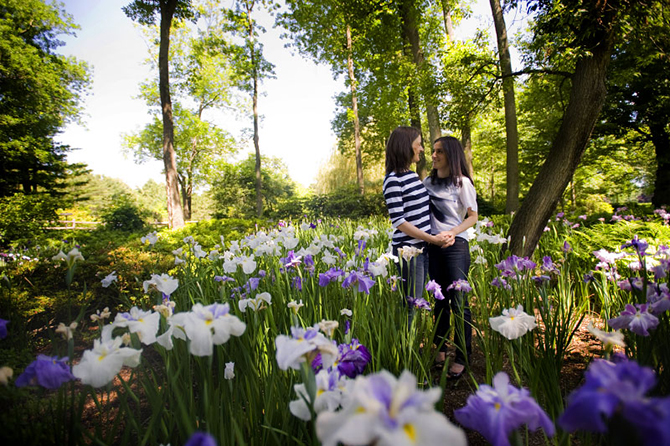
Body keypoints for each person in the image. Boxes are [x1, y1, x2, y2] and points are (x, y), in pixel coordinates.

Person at [424, 136, 478, 379]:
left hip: (456, 245)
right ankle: (442, 348)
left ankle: (465, 355)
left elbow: (472, 216)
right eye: (433, 151)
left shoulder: (462, 182)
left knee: (459, 302)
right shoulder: (428, 182)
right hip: (432, 245)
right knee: (439, 299)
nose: (434, 156)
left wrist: (452, 232)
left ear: (451, 155)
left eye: (439, 152)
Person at [382, 126, 449, 310]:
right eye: (418, 144)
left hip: (421, 248)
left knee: (416, 303)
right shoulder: (393, 180)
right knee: (411, 307)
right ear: (406, 146)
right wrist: (432, 239)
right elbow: (399, 221)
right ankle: (405, 339)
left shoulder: (411, 175)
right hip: (408, 252)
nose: (422, 149)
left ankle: (409, 339)